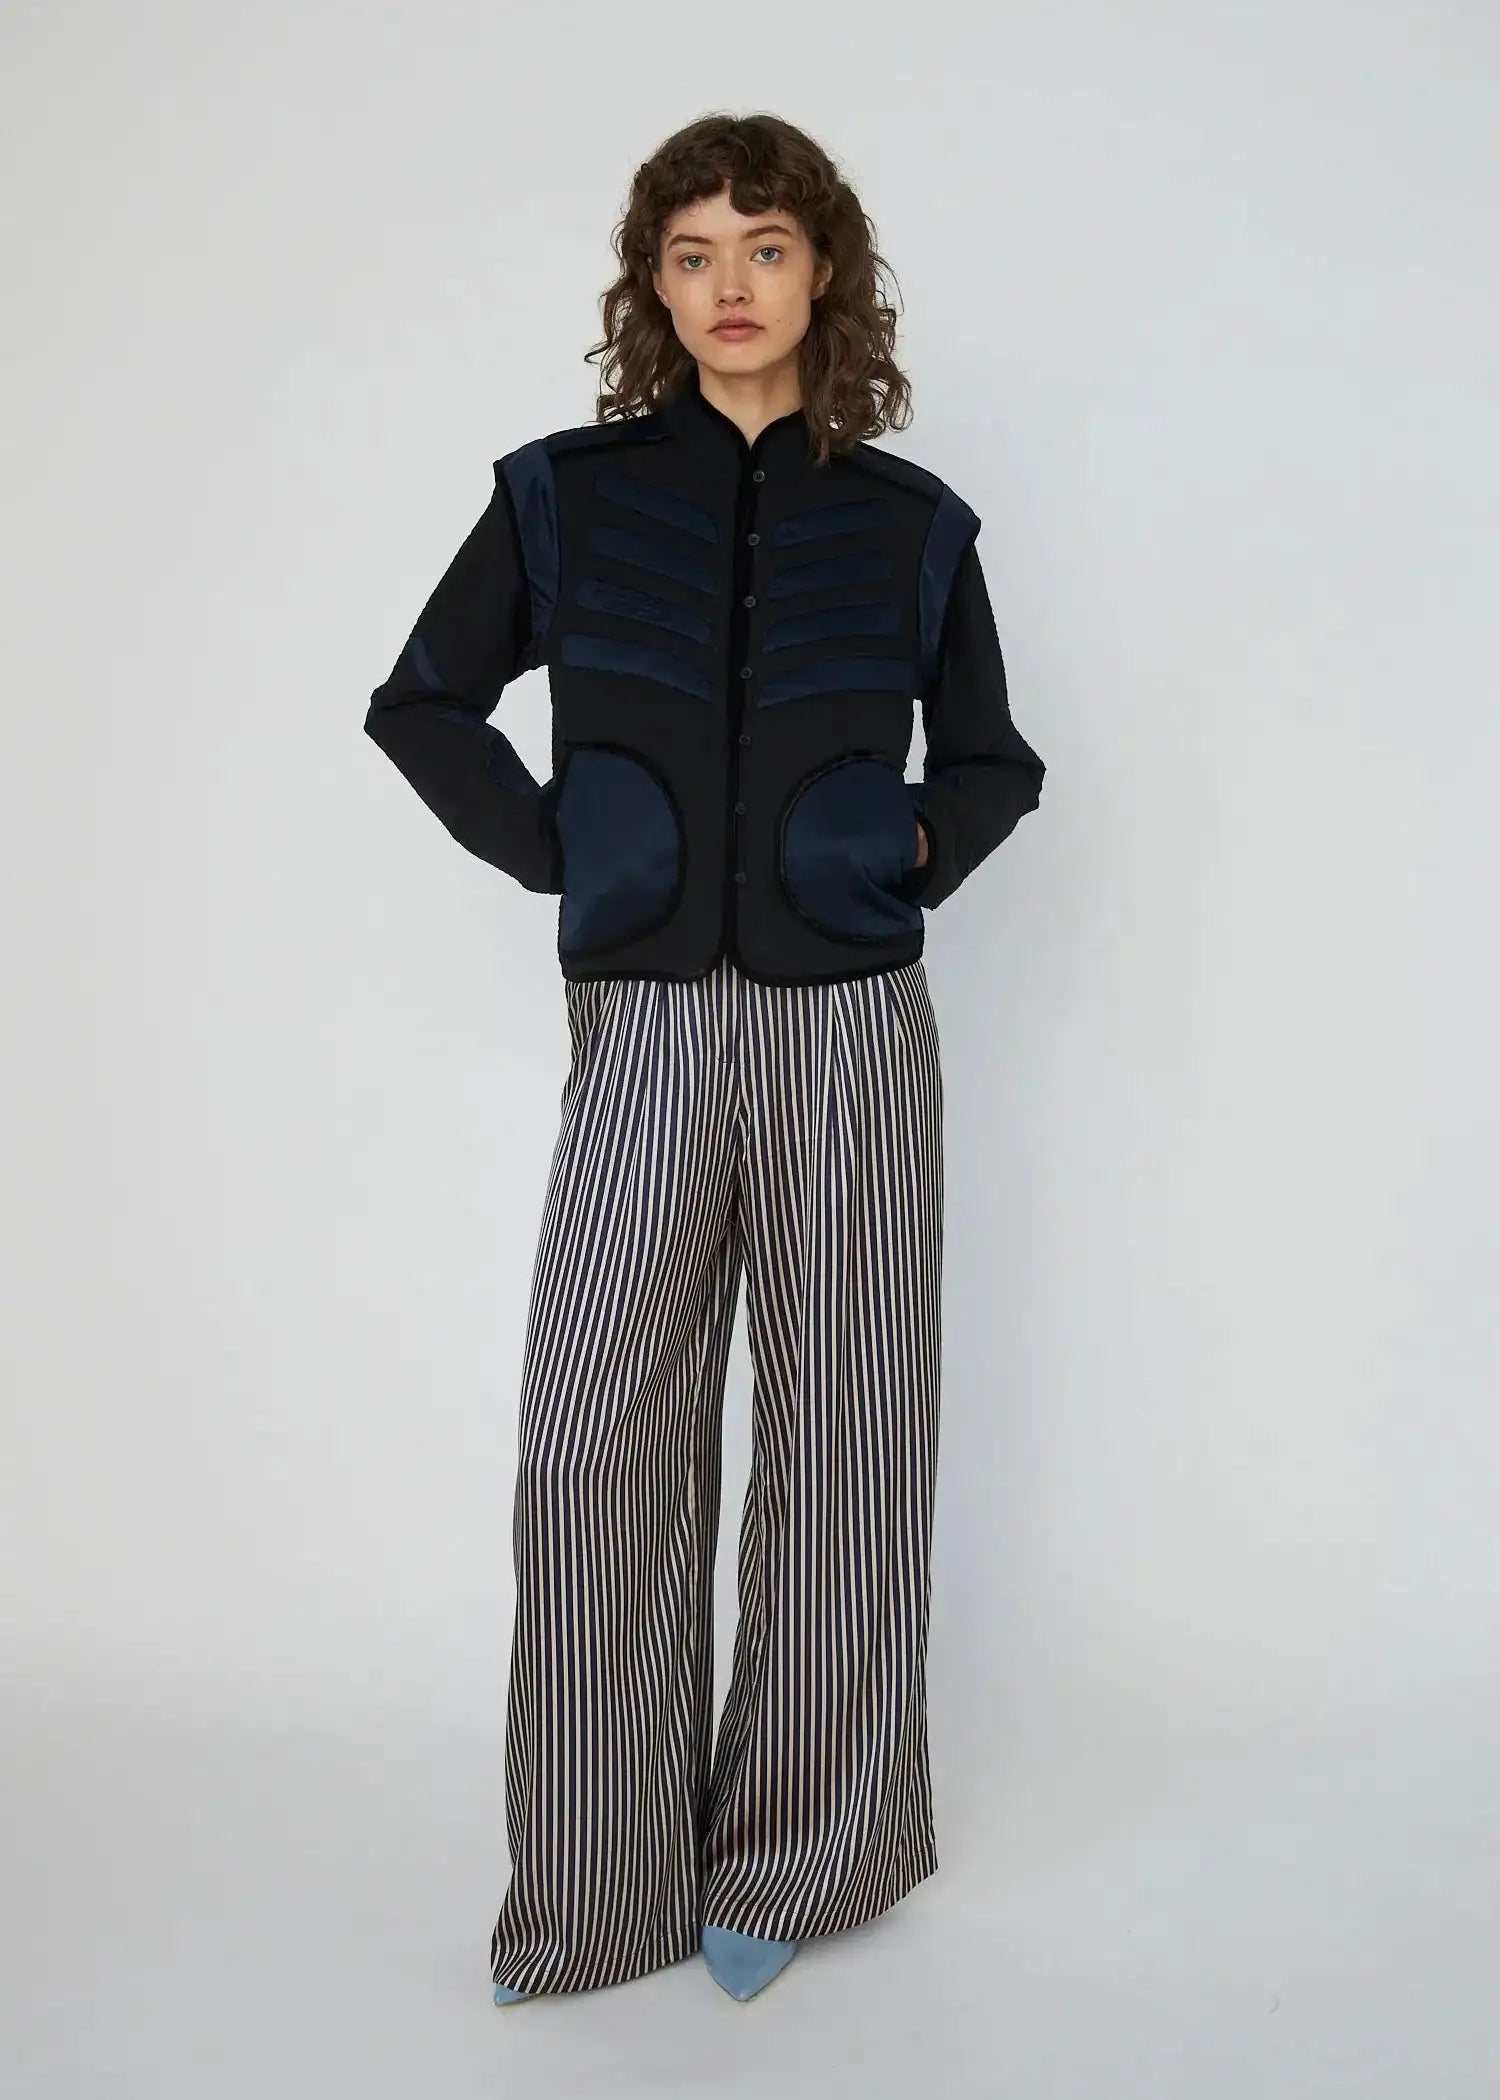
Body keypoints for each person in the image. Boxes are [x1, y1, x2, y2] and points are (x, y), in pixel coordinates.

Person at [363, 111, 1045, 2006]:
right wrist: (564, 845)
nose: (729, 285)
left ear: (826, 273)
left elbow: (995, 763)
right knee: (597, 1435)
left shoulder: (912, 525)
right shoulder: (564, 497)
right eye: (690, 253)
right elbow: (422, 703)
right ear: (650, 287)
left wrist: (901, 848)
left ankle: (806, 1858)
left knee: (849, 1436)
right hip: (646, 1019)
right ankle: (597, 1891)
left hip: (853, 1030)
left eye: (764, 247)